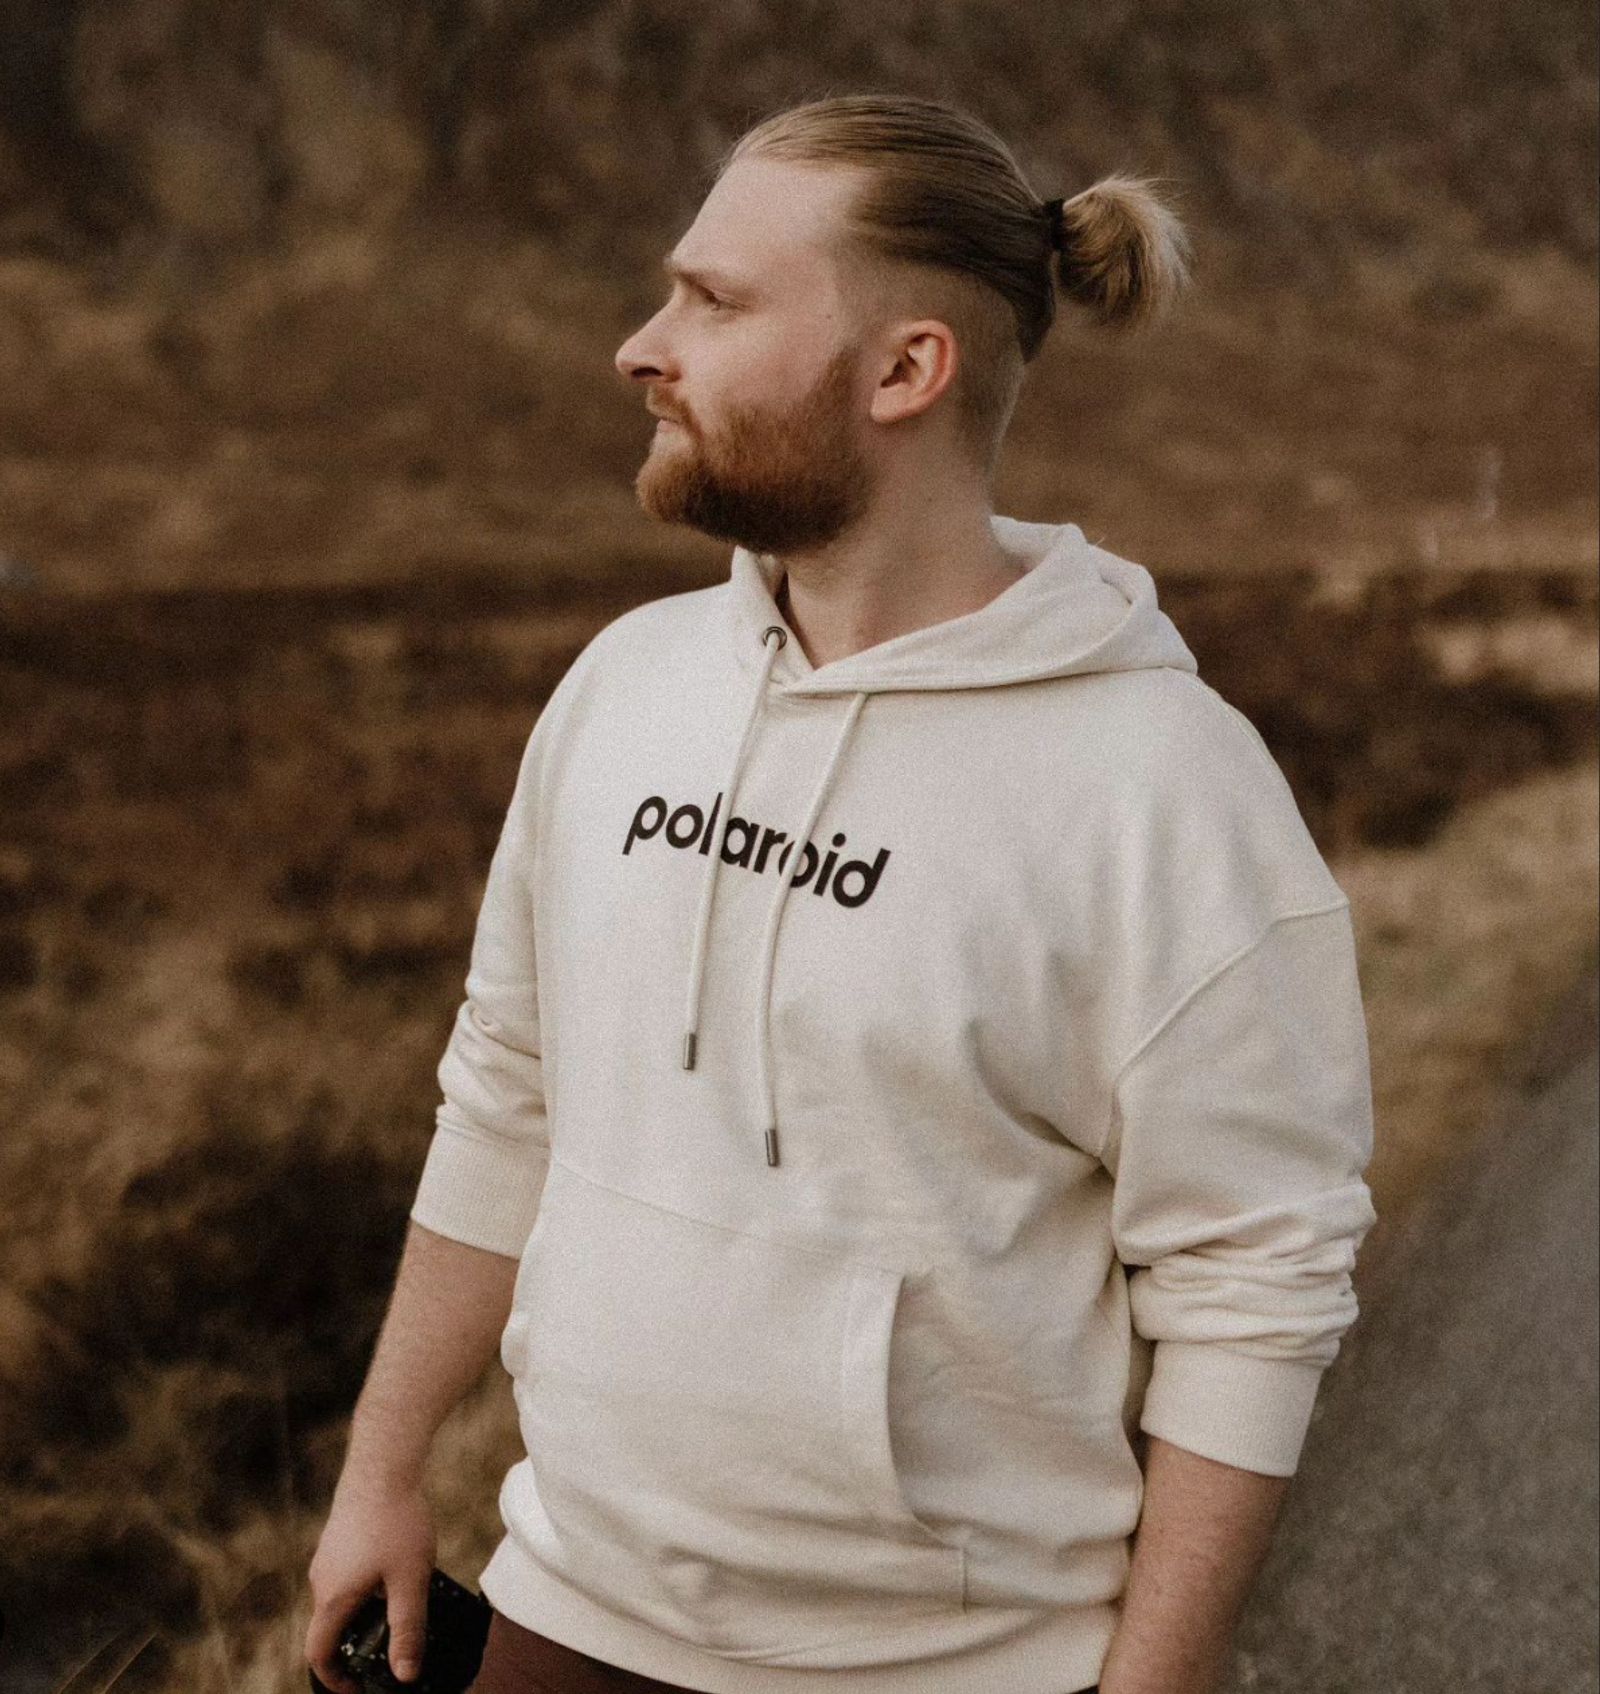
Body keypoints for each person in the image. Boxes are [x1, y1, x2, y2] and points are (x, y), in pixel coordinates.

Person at [305, 92, 1378, 1694]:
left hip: (954, 1660)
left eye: (715, 300)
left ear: (904, 370)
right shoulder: (623, 688)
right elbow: (507, 1089)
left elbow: (1255, 1278)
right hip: (569, 1609)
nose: (641, 347)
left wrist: (1157, 1678)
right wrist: (381, 1469)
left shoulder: (1162, 788)